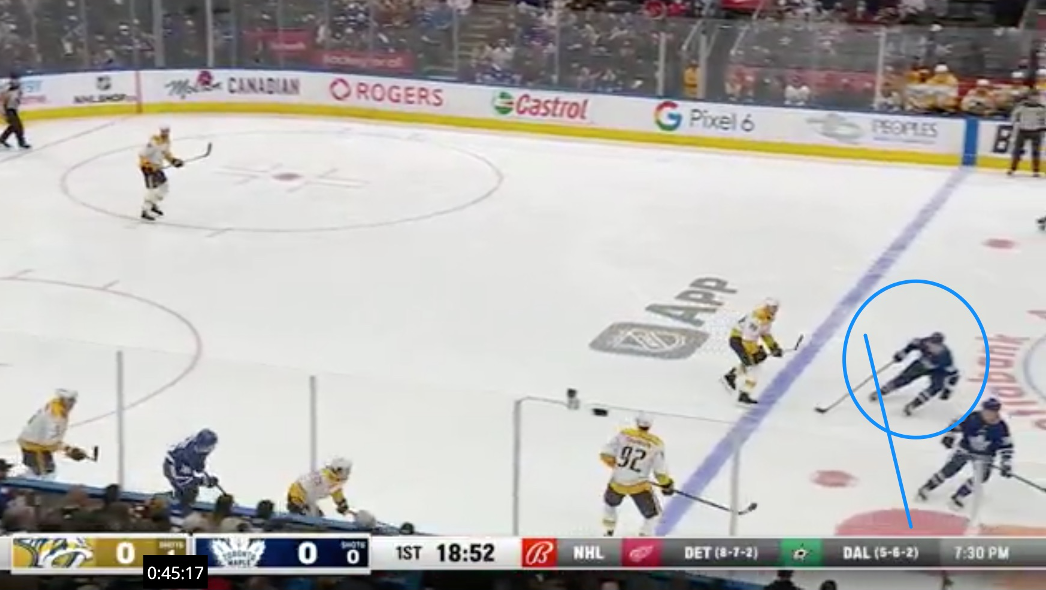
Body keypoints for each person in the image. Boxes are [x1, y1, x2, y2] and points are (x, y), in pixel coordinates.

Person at [0, 72, 29, 149]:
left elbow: (17, 99)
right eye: (14, 79)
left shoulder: (19, 88)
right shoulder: (5, 88)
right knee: (17, 126)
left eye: (17, 79)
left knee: (14, 126)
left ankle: (2, 140)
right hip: (7, 109)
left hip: (13, 109)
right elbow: (2, 100)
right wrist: (3, 111)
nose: (16, 81)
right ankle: (21, 142)